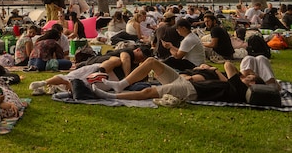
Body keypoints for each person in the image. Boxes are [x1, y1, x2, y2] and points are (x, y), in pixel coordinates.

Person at [92, 58, 261, 104]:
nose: (246, 76)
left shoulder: (240, 89)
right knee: (151, 61)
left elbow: (228, 64)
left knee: (148, 92)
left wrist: (238, 73)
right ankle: (120, 85)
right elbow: (226, 77)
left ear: (252, 84)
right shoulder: (235, 87)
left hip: (192, 90)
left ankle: (110, 97)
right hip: (187, 82)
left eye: (250, 77)